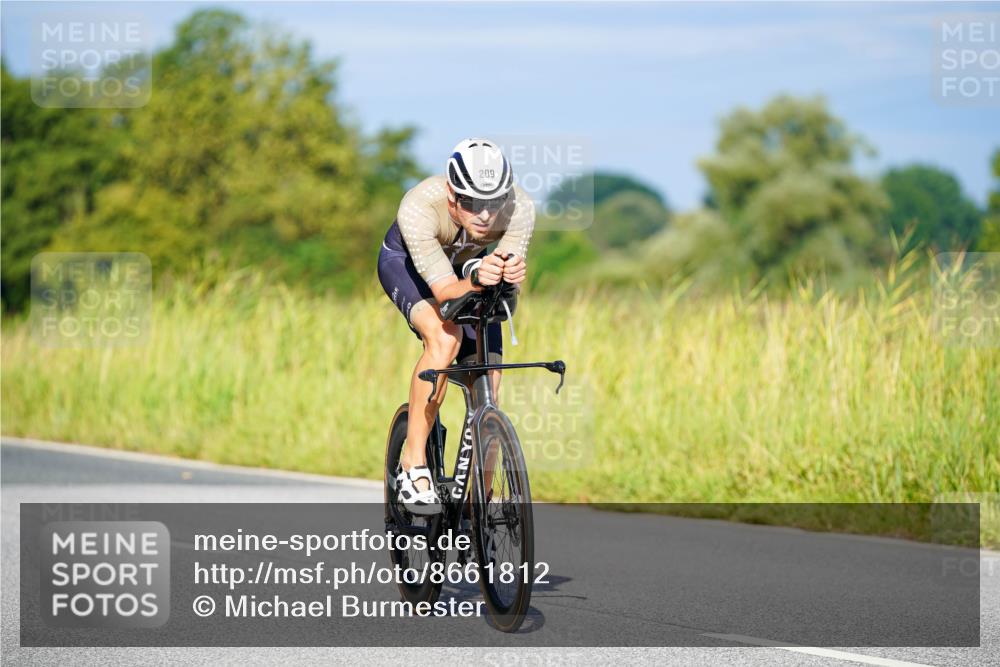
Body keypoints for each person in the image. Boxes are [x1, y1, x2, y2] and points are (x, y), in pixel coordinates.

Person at [377, 138, 535, 514]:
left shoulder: (521, 207)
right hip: (411, 269)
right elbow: (447, 297)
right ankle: (413, 463)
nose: (484, 215)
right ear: (451, 196)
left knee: (490, 377)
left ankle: (475, 501)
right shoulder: (418, 207)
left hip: (468, 269)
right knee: (444, 337)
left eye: (494, 203)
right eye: (471, 203)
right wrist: (480, 277)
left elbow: (503, 293)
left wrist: (508, 275)